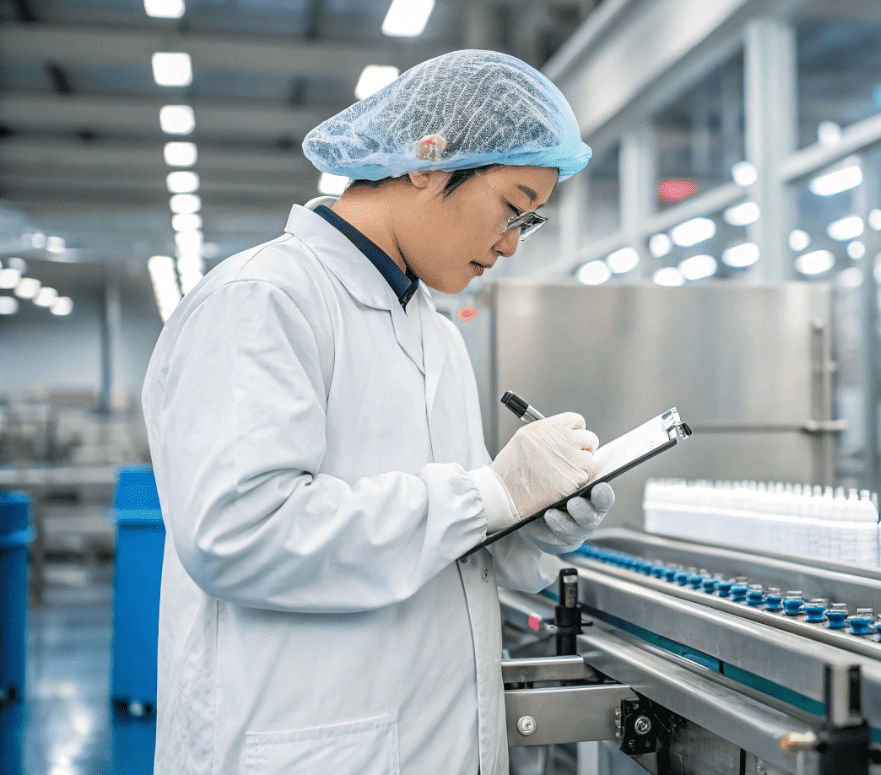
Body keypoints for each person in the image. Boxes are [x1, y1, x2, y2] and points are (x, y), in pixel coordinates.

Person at [142, 50, 612, 775]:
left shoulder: (437, 335)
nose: (514, 242)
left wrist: (533, 524)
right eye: (512, 207)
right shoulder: (263, 298)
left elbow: (445, 547)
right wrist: (487, 491)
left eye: (533, 221)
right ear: (429, 160)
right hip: (298, 745)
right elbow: (236, 532)